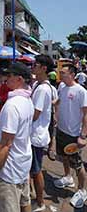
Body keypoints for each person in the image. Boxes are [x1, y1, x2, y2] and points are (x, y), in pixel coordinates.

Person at [0, 62, 34, 212]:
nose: (6, 78)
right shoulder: (28, 100)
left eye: (9, 75)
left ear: (19, 79)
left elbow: (6, 144)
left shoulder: (12, 105)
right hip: (23, 162)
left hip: (10, 169)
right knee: (24, 201)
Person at [54, 64, 87, 209]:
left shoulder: (81, 91)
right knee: (63, 156)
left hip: (74, 135)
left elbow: (86, 114)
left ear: (73, 74)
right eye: (60, 72)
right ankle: (68, 177)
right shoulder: (62, 87)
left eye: (63, 73)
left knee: (78, 164)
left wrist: (83, 135)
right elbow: (59, 101)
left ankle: (82, 190)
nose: (60, 75)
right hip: (61, 130)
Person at [30, 54, 54, 212]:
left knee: (36, 170)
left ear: (43, 68)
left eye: (35, 64)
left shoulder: (43, 89)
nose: (32, 66)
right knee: (33, 169)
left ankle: (40, 202)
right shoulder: (42, 86)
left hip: (36, 135)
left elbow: (35, 114)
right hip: (37, 133)